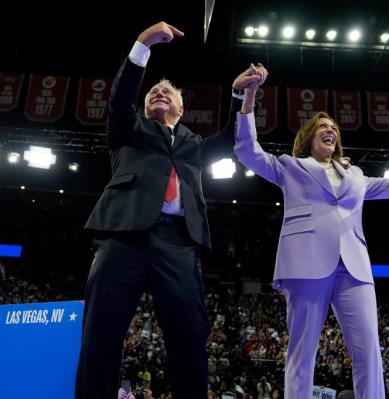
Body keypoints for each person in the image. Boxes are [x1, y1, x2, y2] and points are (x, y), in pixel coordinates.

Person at [234, 72, 389, 399]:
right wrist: (248, 97)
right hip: (305, 265)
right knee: (302, 352)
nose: (330, 129)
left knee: (368, 349)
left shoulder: (356, 176)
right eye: (323, 126)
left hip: (354, 268)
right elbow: (247, 151)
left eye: (334, 128)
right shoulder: (290, 167)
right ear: (308, 136)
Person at [75, 21, 265, 399]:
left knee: (190, 338)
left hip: (179, 242)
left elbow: (231, 139)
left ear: (181, 108)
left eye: (168, 91)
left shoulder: (193, 144)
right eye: (154, 91)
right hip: (123, 236)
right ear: (146, 106)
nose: (159, 91)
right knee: (100, 333)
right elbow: (120, 98)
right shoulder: (128, 129)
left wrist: (239, 94)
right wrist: (142, 43)